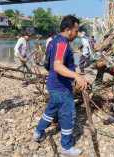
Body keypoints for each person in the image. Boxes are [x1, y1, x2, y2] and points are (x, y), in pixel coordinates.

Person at [32, 15, 87, 156]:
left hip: (52, 83)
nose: (77, 34)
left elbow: (46, 61)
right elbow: (57, 65)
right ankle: (66, 147)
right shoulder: (62, 43)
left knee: (51, 109)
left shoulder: (53, 41)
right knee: (68, 115)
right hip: (60, 87)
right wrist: (77, 76)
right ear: (68, 30)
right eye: (76, 31)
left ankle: (38, 133)